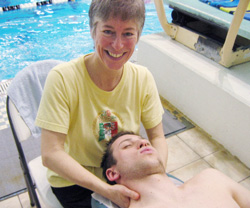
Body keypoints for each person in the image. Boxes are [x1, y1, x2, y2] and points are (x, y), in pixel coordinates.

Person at [35, 0, 168, 207]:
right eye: (108, 31)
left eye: (128, 34)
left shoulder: (142, 78)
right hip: (74, 182)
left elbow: (157, 136)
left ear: (139, 35)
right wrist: (106, 190)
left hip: (124, 172)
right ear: (92, 30)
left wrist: (159, 175)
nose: (117, 45)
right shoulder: (62, 78)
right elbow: (51, 154)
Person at [101, 132, 250, 208]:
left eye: (144, 140)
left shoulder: (212, 179)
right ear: (113, 173)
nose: (143, 142)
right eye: (127, 145)